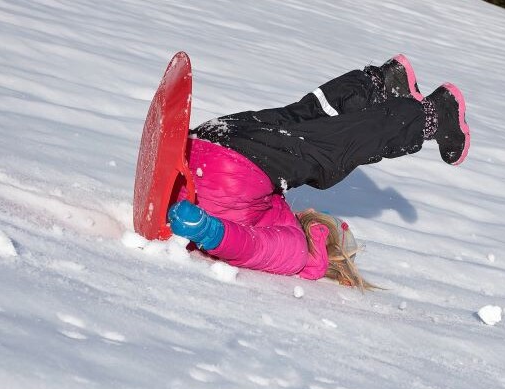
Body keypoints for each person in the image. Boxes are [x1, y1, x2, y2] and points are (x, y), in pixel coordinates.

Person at [166, 54, 470, 290]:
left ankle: (419, 106)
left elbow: (249, 246)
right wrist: (201, 226)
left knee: (330, 143)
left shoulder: (298, 253)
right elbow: (250, 241)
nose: (312, 210)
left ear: (324, 240)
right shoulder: (281, 223)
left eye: (324, 220)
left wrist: (207, 230)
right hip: (209, 149)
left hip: (222, 157)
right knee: (305, 127)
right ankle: (386, 90)